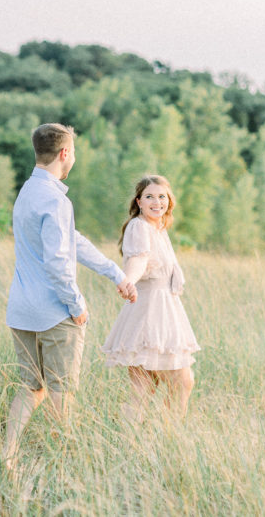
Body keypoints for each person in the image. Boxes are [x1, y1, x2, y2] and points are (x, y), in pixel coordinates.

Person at [2, 123, 135, 470]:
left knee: (31, 388)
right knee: (62, 393)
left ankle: (9, 456)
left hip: (21, 311)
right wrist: (77, 306)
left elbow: (72, 241)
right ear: (64, 154)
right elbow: (59, 262)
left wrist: (115, 274)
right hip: (54, 313)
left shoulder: (28, 192)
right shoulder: (55, 200)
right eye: (73, 150)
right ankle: (67, 466)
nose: (73, 156)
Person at [101, 175, 200, 420]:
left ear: (169, 201)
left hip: (164, 310)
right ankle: (169, 436)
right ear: (139, 202)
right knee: (181, 380)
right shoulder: (139, 226)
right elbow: (139, 259)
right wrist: (128, 280)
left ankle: (149, 438)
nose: (157, 202)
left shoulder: (158, 228)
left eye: (161, 197)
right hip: (150, 312)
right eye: (149, 197)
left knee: (146, 387)